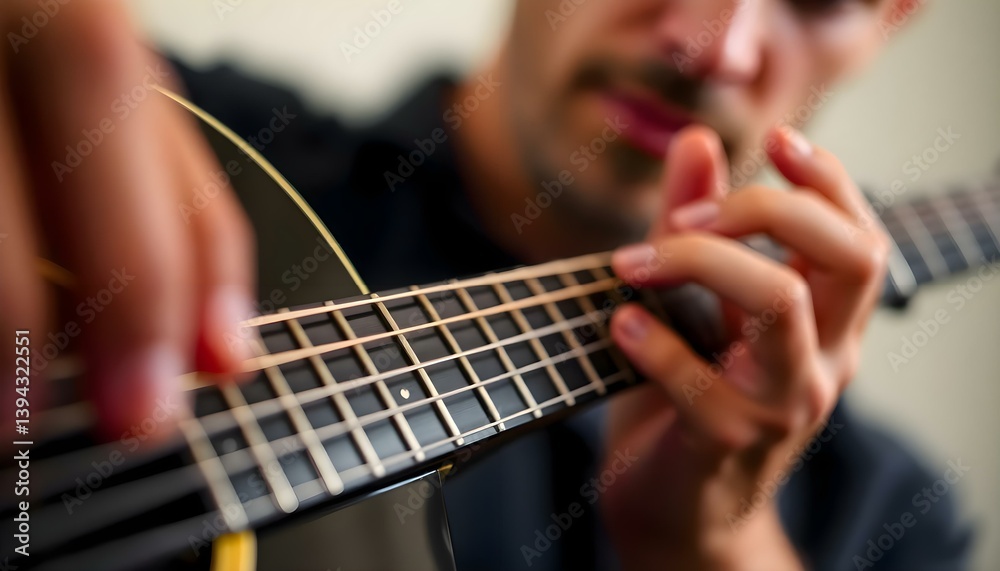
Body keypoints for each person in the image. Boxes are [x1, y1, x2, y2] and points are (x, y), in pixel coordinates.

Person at [0, 1, 973, 569]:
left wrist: (711, 546)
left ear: (887, 23)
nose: (715, 44)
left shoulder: (886, 524)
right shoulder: (156, 142)